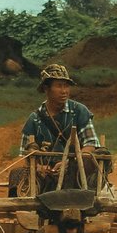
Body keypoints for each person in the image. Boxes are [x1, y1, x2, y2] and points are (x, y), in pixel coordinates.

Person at [9, 63, 104, 196]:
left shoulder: (79, 111)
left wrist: (67, 163)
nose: (64, 91)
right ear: (46, 88)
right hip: (45, 173)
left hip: (75, 169)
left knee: (86, 163)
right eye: (59, 86)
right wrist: (39, 168)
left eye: (66, 86)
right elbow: (26, 156)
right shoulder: (34, 120)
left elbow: (91, 144)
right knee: (16, 174)